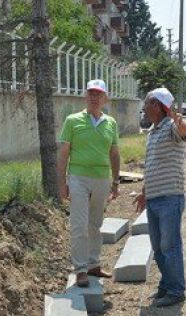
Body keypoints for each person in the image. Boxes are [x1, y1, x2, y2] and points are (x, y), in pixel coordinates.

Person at [57, 79, 121, 287]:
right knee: (79, 225)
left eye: (98, 94)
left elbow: (114, 152)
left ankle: (94, 264)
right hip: (78, 178)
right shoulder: (73, 120)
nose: (94, 97)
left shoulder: (110, 123)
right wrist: (62, 183)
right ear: (86, 96)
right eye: (91, 93)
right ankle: (81, 268)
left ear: (105, 98)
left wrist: (116, 181)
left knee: (95, 224)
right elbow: (64, 153)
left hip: (102, 179)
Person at [133, 88, 186, 307]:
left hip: (170, 197)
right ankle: (166, 285)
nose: (144, 108)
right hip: (154, 198)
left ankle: (177, 291)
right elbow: (151, 166)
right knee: (158, 247)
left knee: (170, 246)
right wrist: (144, 193)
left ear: (156, 105)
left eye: (146, 104)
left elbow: (183, 134)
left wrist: (180, 124)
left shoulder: (170, 128)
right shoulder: (153, 132)